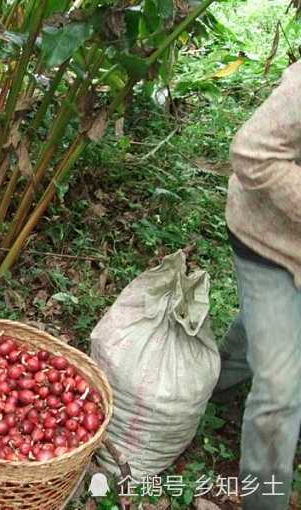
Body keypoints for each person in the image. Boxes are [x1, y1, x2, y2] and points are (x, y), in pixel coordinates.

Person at [215, 59, 301, 510]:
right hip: (267, 242)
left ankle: (216, 377)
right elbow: (251, 152)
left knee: (262, 327)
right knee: (280, 394)